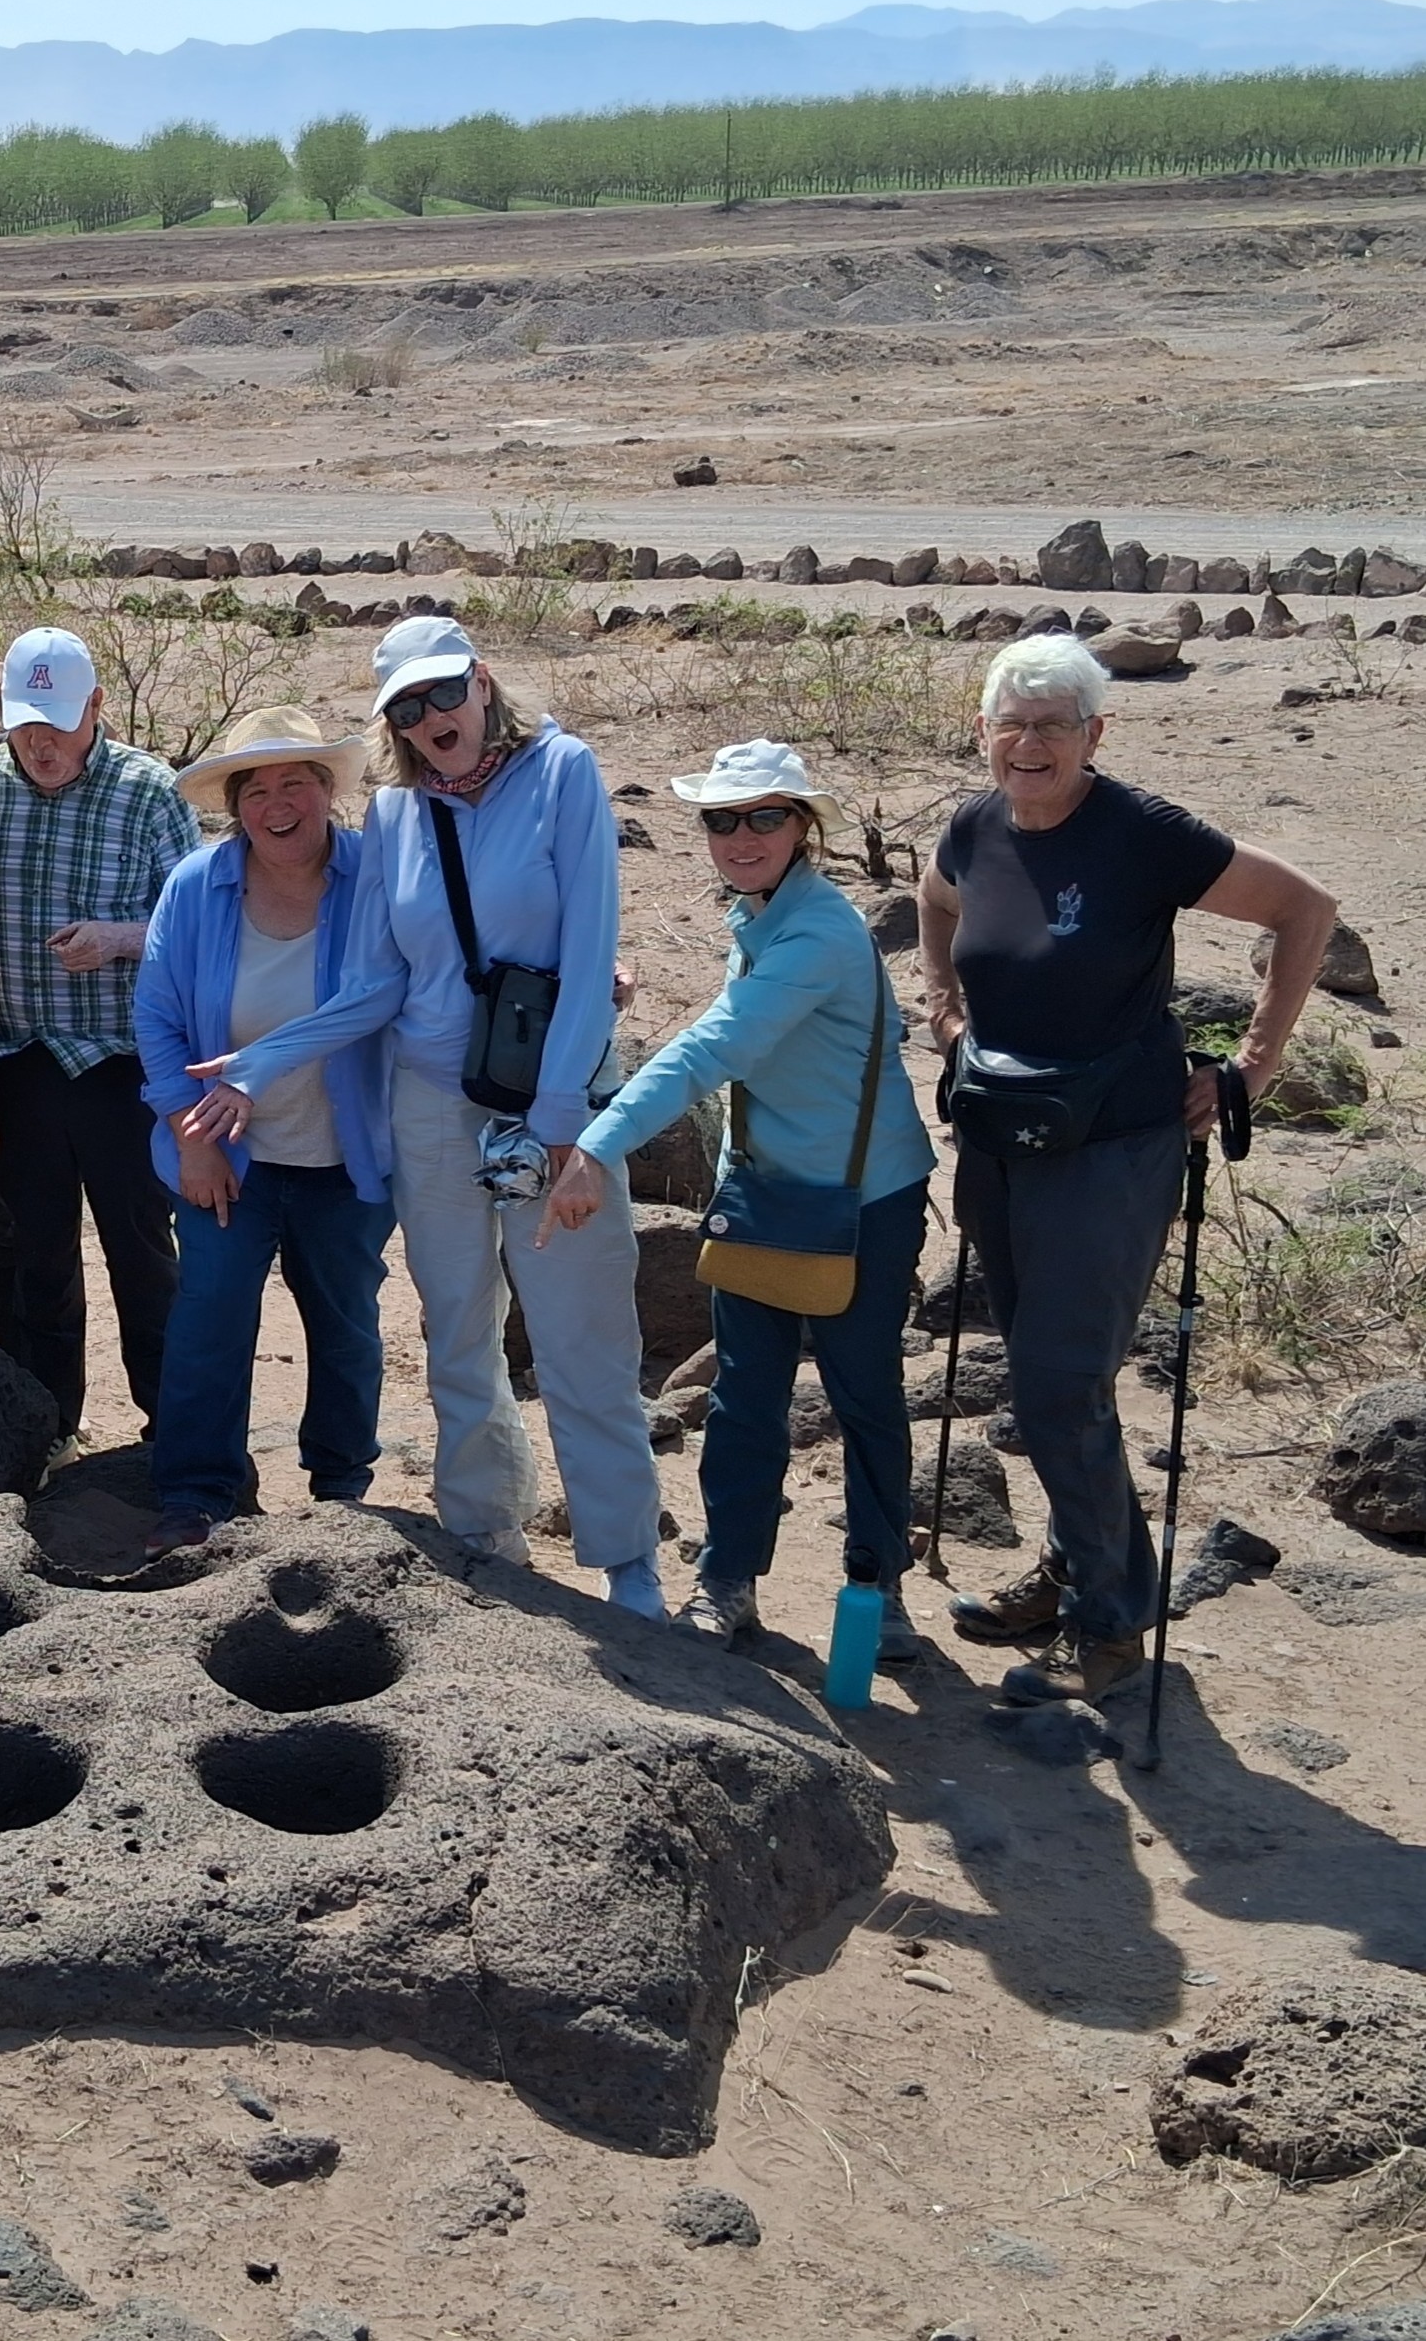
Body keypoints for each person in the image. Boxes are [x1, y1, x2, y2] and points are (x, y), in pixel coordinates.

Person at [182, 616, 665, 1614]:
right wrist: (264, 1060)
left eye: (443, 692)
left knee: (578, 1332)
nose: (430, 716)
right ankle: (484, 1529)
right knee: (456, 1325)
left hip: (549, 1098)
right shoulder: (398, 815)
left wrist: (564, 1118)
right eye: (406, 705)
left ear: (482, 682)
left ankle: (625, 1561)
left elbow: (589, 956)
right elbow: (377, 983)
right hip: (433, 1100)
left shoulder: (562, 770)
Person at [920, 633, 1335, 1704]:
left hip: (1113, 1147)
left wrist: (1253, 1060)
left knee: (1062, 1385)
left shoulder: (1140, 833)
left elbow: (1305, 908)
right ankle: (1072, 1569)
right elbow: (936, 898)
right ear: (982, 732)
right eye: (1010, 721)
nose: (1029, 741)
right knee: (1045, 1375)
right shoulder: (973, 823)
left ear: (1094, 733)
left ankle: (1109, 1625)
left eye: (1054, 722)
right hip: (1000, 1136)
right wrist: (946, 1007)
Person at [542, 741, 935, 1657]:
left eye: (765, 816)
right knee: (745, 1394)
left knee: (863, 1392)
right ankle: (728, 1578)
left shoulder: (819, 934)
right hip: (766, 1191)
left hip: (863, 1197)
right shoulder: (760, 914)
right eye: (723, 818)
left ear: (803, 828)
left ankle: (879, 1592)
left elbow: (709, 1050)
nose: (742, 834)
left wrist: (597, 1147)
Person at [136, 707, 394, 1557]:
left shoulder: (379, 876)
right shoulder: (197, 886)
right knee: (209, 1315)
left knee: (347, 1319)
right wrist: (194, 1138)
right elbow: (159, 1018)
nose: (278, 804)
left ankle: (341, 1486)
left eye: (297, 784)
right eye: (258, 790)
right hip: (228, 1158)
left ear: (327, 792)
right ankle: (197, 1492)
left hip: (345, 1153)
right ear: (236, 805)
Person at [0, 626, 199, 1456]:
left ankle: (174, 1427)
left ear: (97, 705)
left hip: (120, 1060)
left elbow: (195, 924)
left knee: (142, 1249)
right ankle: (47, 1428)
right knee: (33, 1255)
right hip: (16, 1056)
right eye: (25, 721)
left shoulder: (149, 791)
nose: (41, 741)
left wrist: (121, 940)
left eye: (57, 720)